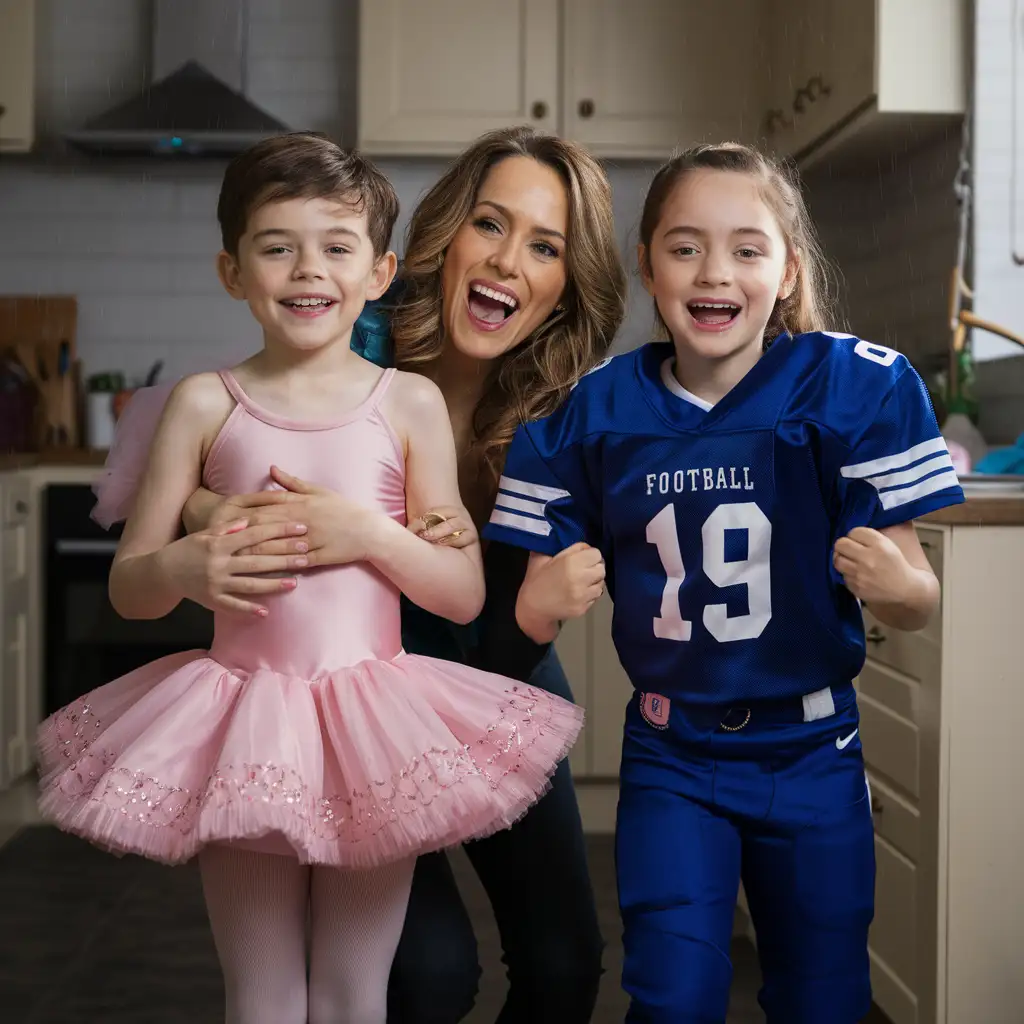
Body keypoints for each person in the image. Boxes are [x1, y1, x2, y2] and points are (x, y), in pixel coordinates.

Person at [36, 132, 585, 1024]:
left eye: (335, 247)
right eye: (277, 246)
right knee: (260, 996)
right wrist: (183, 561)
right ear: (232, 270)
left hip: (378, 725)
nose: (306, 270)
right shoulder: (203, 404)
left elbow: (461, 592)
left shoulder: (404, 405)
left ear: (379, 273)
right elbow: (132, 586)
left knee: (354, 993)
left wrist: (368, 534)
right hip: (245, 722)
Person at [484, 141, 966, 1023]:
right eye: (685, 247)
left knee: (823, 993)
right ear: (647, 265)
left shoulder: (852, 386)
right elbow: (525, 609)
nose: (716, 272)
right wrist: (540, 601)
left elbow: (917, 594)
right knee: (671, 992)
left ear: (787, 271)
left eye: (748, 248)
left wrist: (905, 590)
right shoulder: (595, 411)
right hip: (674, 752)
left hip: (813, 749)